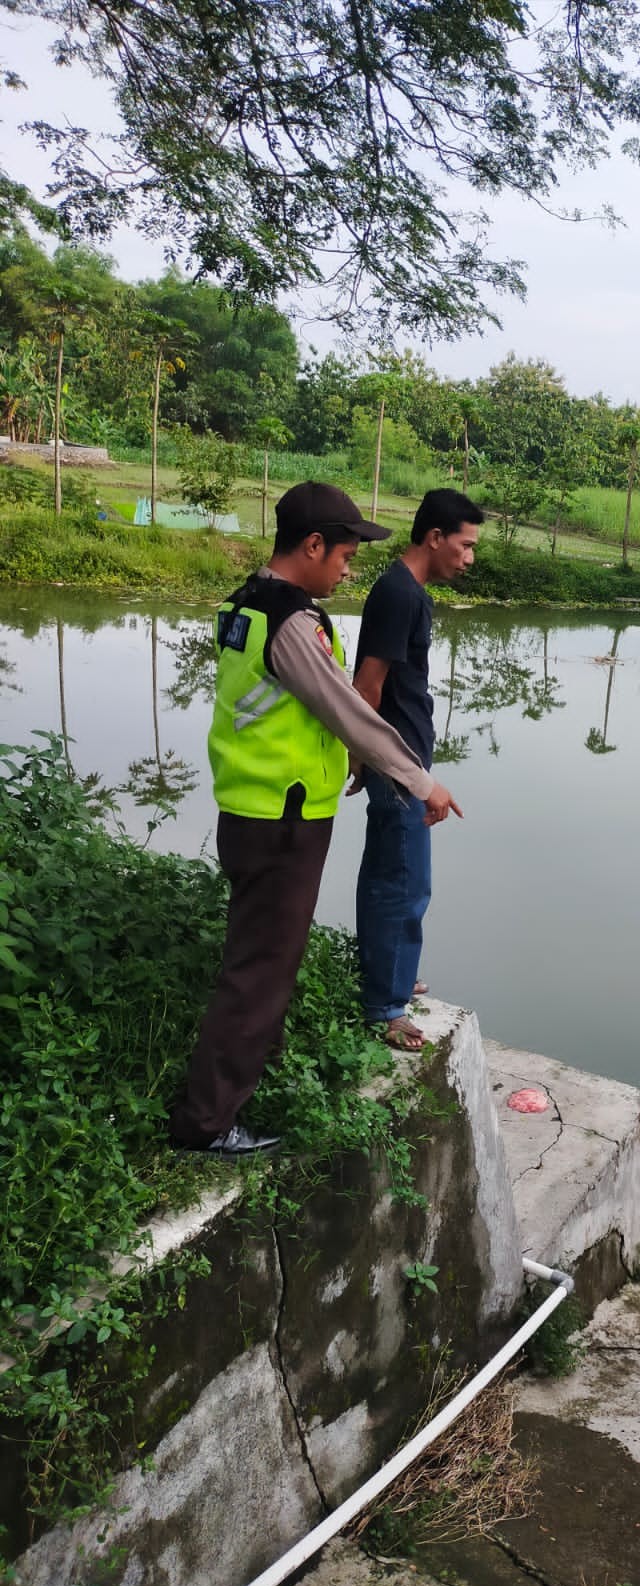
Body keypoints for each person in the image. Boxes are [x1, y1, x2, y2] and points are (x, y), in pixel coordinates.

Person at [169, 482, 460, 1157]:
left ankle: (238, 1090)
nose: (349, 568)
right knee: (259, 970)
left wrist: (348, 764)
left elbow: (292, 714)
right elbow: (350, 710)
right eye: (345, 554)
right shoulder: (292, 621)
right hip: (284, 819)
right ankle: (205, 1123)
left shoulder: (244, 602)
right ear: (312, 544)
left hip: (253, 809)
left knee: (262, 959)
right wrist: (419, 780)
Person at [352, 488, 482, 1050]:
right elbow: (367, 685)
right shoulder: (400, 593)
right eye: (466, 544)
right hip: (399, 759)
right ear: (435, 538)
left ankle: (392, 978)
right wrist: (379, 759)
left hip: (399, 755)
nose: (470, 557)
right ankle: (386, 1005)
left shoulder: (404, 590)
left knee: (390, 871)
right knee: (403, 883)